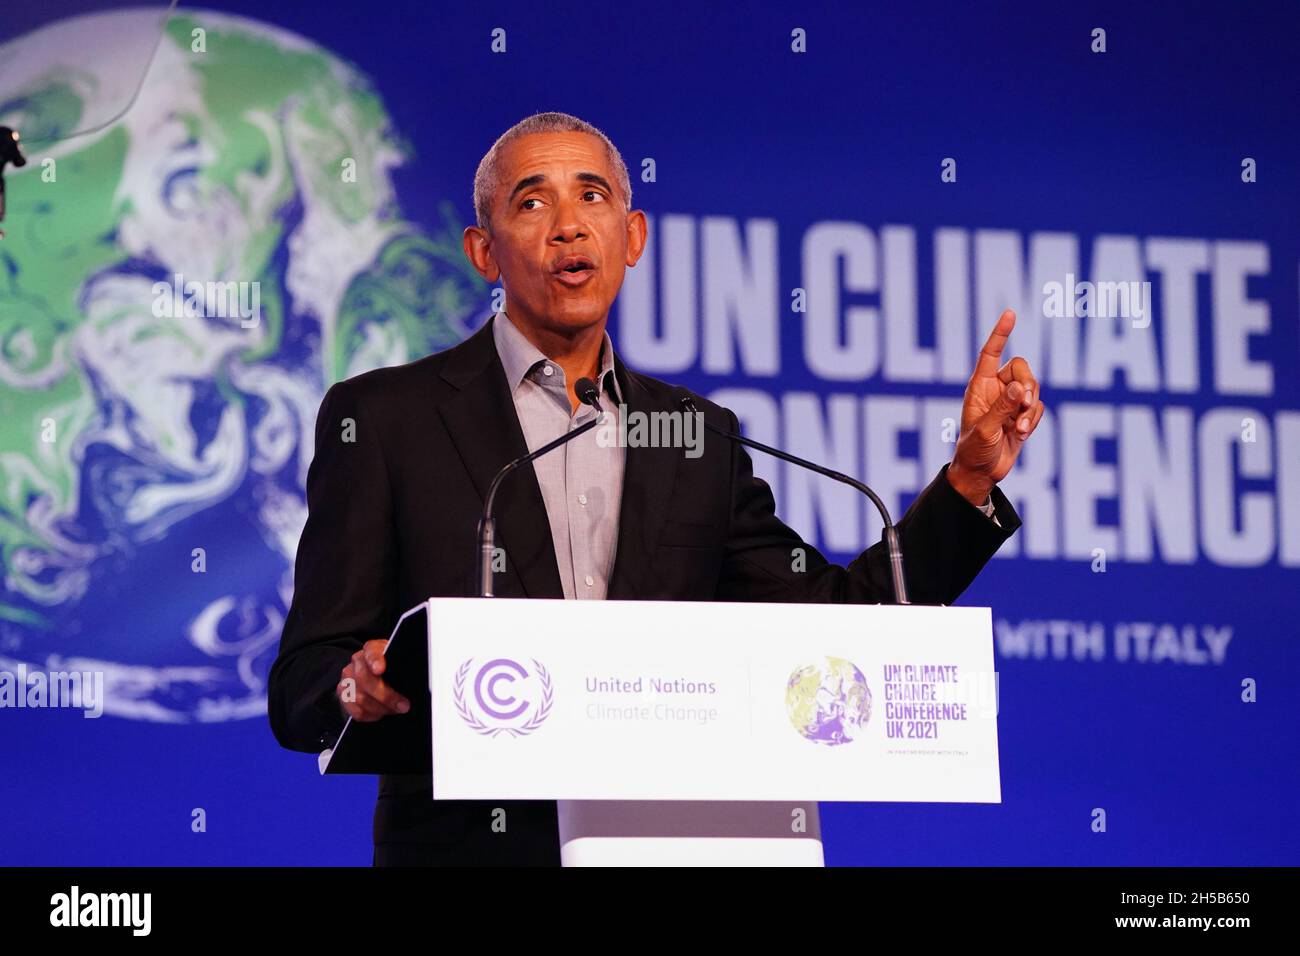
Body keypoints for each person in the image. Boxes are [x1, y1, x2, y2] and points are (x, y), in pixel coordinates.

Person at [268, 111, 1044, 866]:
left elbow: (839, 627)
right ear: (483, 251)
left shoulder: (694, 435)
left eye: (592, 197)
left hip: (669, 844)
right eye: (532, 202)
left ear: (632, 238)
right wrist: (352, 685)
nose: (568, 226)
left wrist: (968, 480)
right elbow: (304, 682)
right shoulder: (385, 418)